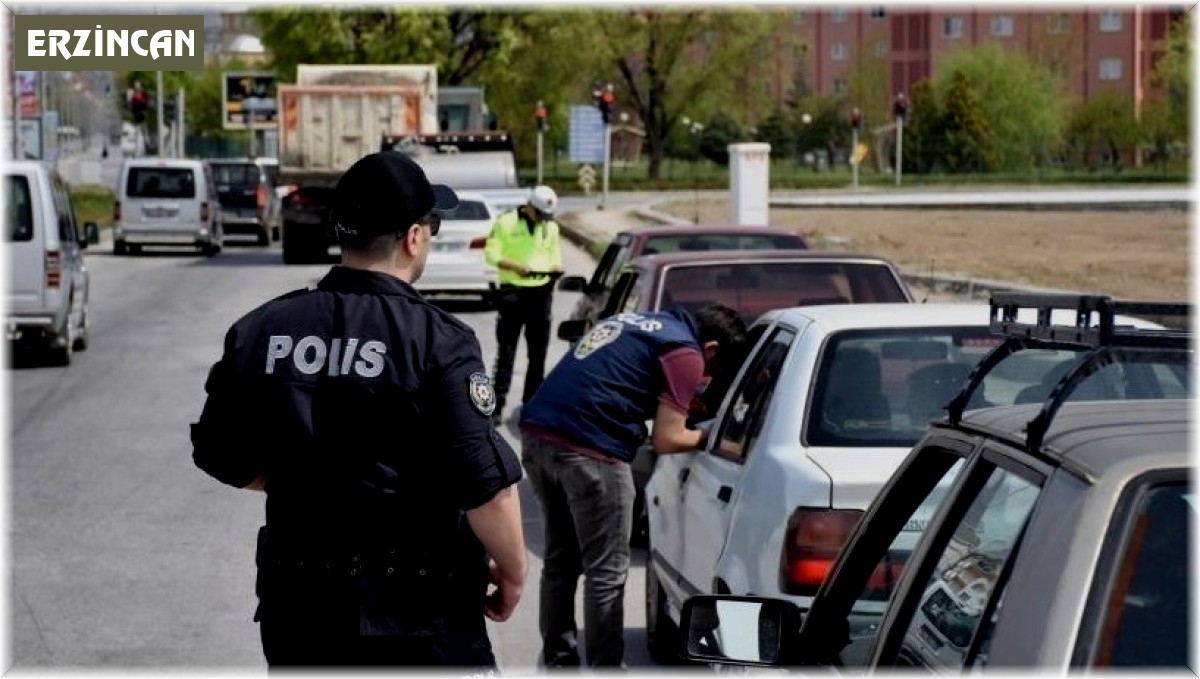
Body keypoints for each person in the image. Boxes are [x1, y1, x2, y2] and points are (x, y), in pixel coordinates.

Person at [190, 151, 527, 669]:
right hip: (418, 619)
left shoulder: (262, 328)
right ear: (414, 237)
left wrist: (294, 477)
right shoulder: (440, 341)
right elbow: (487, 488)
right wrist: (513, 571)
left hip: (299, 615)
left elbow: (217, 450)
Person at [518, 304, 748, 667]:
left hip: (537, 438)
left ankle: (559, 662)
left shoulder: (638, 322)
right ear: (712, 349)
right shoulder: (685, 351)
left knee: (561, 562)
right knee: (606, 571)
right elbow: (667, 439)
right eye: (713, 370)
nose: (706, 377)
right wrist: (716, 440)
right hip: (591, 450)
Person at [483, 185, 563, 425]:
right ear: (530, 206)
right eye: (539, 214)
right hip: (513, 293)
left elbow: (554, 255)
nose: (542, 220)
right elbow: (491, 254)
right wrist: (514, 266)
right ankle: (496, 406)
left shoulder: (550, 227)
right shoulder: (506, 222)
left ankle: (532, 404)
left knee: (538, 355)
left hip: (541, 293)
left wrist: (555, 268)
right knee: (506, 352)